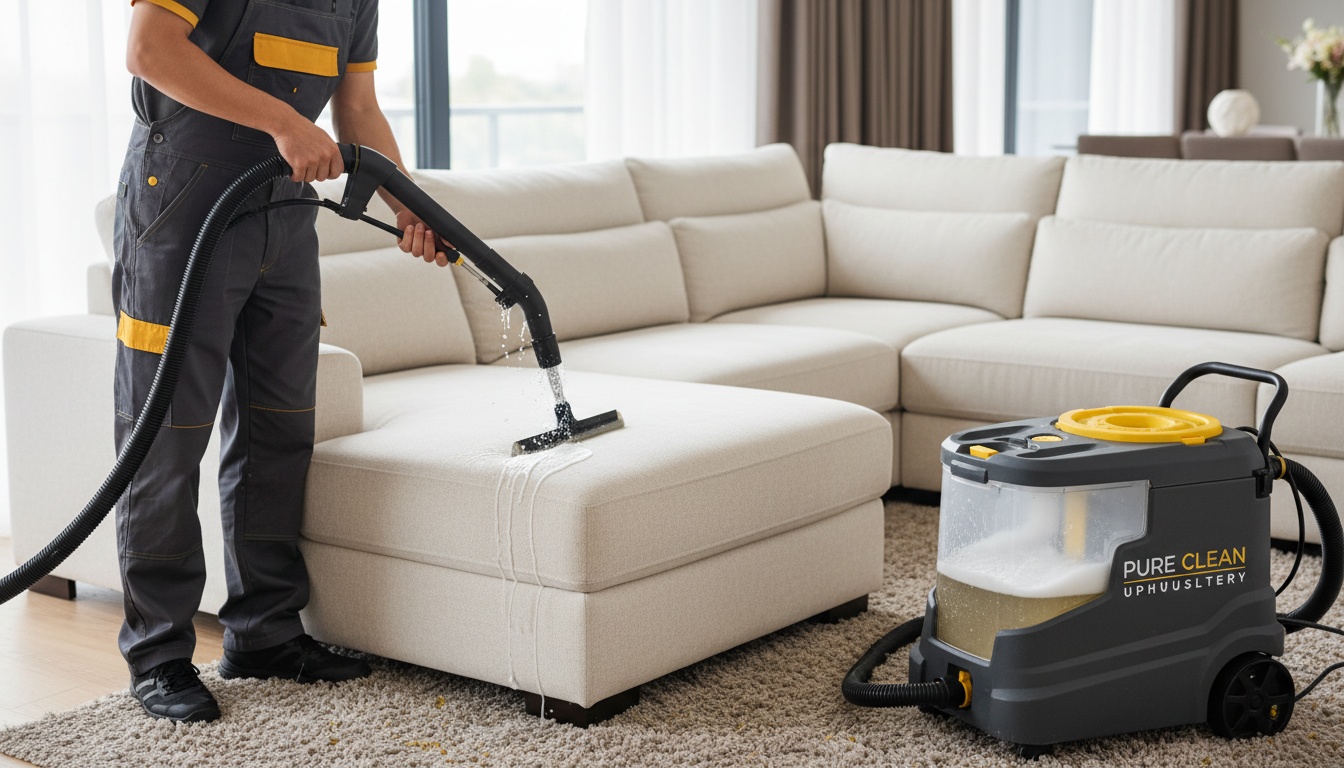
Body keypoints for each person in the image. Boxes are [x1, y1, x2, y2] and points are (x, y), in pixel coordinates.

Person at [116, 0, 447, 723]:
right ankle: (159, 654)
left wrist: (411, 201)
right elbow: (150, 50)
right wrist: (285, 120)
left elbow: (356, 106)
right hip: (183, 209)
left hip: (285, 217)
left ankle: (264, 635)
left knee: (280, 431)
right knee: (164, 440)